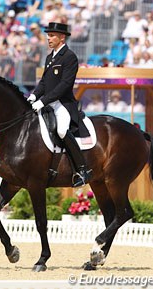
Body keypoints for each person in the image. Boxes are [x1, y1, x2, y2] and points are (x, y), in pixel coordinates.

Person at [27, 22, 92, 187]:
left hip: (63, 103)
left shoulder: (70, 57)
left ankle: (82, 170)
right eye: (48, 35)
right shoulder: (50, 57)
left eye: (52, 35)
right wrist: (34, 96)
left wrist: (43, 101)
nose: (49, 38)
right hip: (48, 103)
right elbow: (44, 82)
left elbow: (64, 85)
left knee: (62, 130)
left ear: (62, 37)